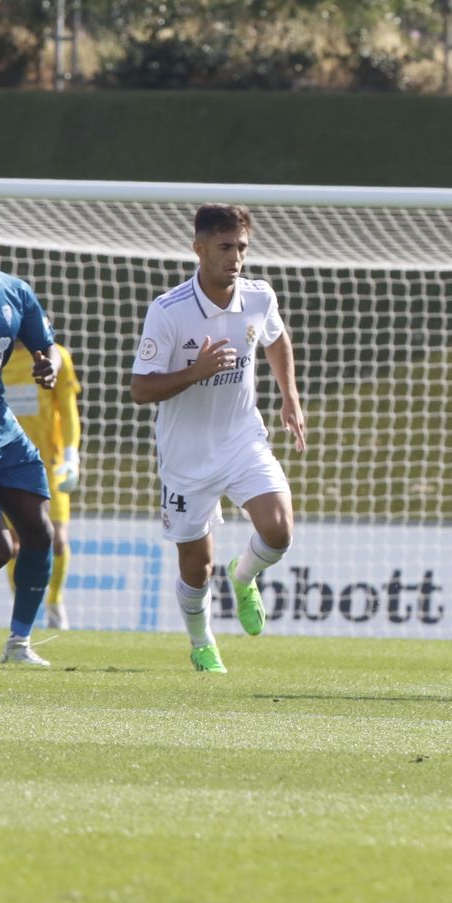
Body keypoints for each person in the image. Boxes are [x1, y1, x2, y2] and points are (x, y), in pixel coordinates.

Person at [129, 203, 306, 673]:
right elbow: (140, 388)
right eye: (226, 248)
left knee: (279, 529)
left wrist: (289, 396)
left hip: (241, 438)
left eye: (242, 248)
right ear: (199, 249)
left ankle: (244, 576)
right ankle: (201, 640)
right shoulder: (168, 311)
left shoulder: (259, 296)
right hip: (186, 455)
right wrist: (195, 371)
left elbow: (276, 339)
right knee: (195, 567)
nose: (236, 258)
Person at [0, 198, 62, 667]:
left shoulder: (15, 293)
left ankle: (19, 645)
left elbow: (50, 349)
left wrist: (50, 366)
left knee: (40, 532)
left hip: (0, 429)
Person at [2, 341, 82, 630]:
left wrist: (72, 454)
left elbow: (70, 411)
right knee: (13, 545)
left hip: (49, 464)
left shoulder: (56, 357)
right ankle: (24, 610)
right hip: (7, 464)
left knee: (57, 539)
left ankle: (55, 602)